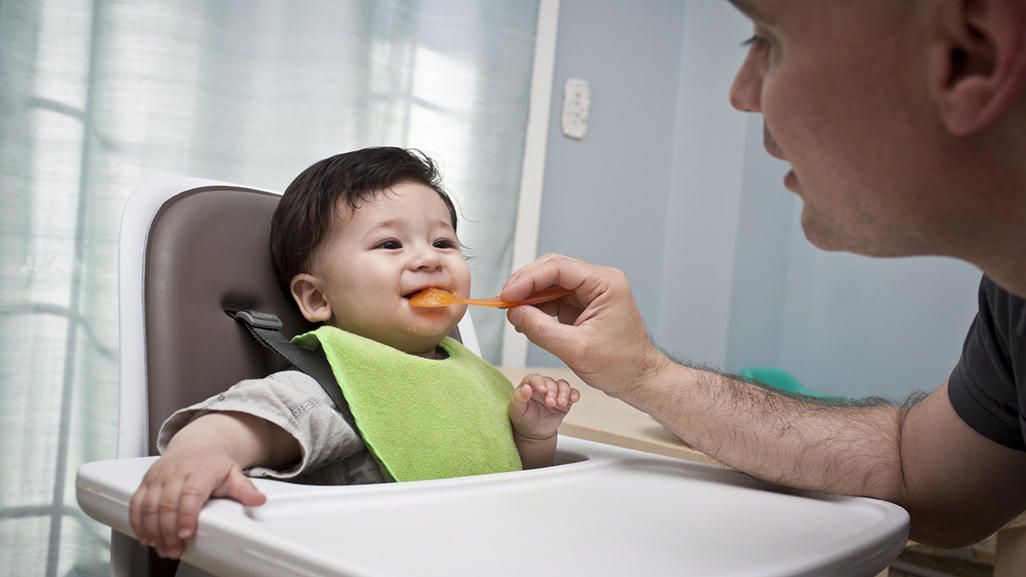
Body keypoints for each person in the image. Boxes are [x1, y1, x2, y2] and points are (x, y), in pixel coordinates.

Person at [500, 0, 1026, 549]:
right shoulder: (1013, 301)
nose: (741, 94)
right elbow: (910, 468)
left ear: (971, 57)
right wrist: (643, 373)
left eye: (769, 41)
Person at [129, 147, 580, 560]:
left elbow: (516, 485)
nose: (429, 259)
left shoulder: (474, 376)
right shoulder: (336, 387)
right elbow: (250, 419)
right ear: (316, 299)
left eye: (443, 242)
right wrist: (197, 455)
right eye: (390, 244)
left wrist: (534, 436)